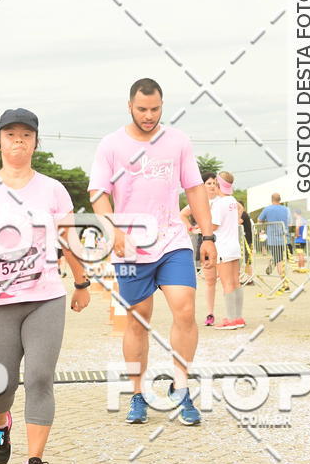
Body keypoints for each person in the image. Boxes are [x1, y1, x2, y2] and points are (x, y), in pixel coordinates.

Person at [0, 108, 90, 464]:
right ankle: (1, 424)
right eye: (10, 134)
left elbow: (69, 239)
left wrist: (82, 281)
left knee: (39, 378)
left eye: (26, 135)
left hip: (45, 297)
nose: (18, 140)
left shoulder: (53, 189)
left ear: (35, 142)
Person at [89, 78, 216, 426]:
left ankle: (181, 388)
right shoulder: (111, 145)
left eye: (155, 109)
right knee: (137, 321)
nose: (149, 115)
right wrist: (112, 229)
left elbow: (193, 189)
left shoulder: (177, 142)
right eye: (142, 109)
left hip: (171, 239)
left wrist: (208, 237)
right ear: (129, 105)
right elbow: (98, 193)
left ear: (163, 105)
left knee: (185, 310)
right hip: (130, 247)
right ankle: (137, 394)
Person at [181, 171, 218, 324]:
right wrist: (191, 228)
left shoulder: (224, 200)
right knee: (210, 280)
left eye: (215, 183)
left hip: (226, 244)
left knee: (229, 281)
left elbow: (239, 209)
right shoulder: (198, 202)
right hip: (208, 242)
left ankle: (233, 315)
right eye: (209, 183)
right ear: (203, 185)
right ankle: (210, 314)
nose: (212, 186)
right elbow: (181, 215)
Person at [211, 172, 245, 329]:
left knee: (227, 283)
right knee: (236, 282)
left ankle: (230, 319)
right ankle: (238, 318)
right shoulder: (232, 200)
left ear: (218, 185)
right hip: (234, 245)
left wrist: (201, 229)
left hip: (223, 246)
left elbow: (215, 225)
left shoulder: (220, 203)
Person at [258, 194, 292, 291]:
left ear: (271, 199)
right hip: (284, 238)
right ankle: (275, 263)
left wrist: (266, 223)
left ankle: (284, 284)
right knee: (282, 259)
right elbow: (289, 222)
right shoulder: (286, 209)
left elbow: (259, 220)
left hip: (273, 239)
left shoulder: (267, 209)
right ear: (280, 200)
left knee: (279, 260)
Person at [237, 200, 254, 284]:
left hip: (247, 241)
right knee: (246, 260)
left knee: (248, 261)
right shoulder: (243, 214)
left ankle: (250, 279)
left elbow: (237, 222)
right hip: (244, 241)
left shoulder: (243, 214)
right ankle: (246, 277)